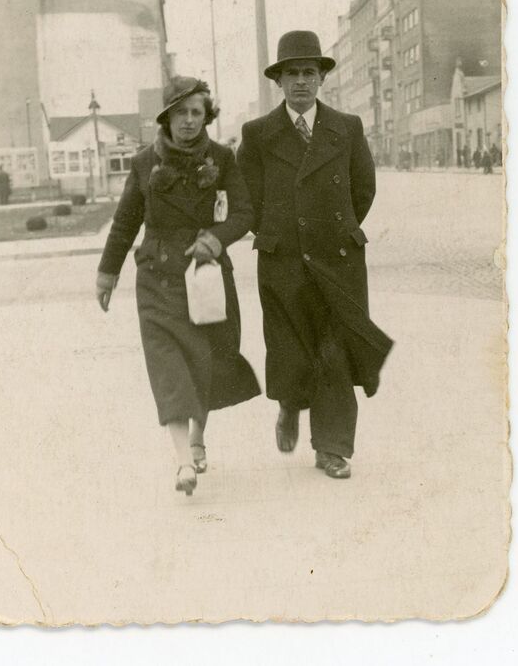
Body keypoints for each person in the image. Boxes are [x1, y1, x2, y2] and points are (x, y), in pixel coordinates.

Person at [237, 31, 393, 480]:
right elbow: (248, 196)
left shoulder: (347, 127)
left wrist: (336, 228)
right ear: (279, 81)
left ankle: (332, 448)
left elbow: (363, 188)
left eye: (309, 72)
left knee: (335, 352)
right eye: (292, 74)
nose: (301, 81)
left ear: (322, 78)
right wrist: (276, 232)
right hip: (283, 260)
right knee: (292, 350)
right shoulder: (258, 133)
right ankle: (290, 404)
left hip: (338, 260)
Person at [96, 76, 260, 496]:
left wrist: (215, 239)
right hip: (158, 276)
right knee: (168, 366)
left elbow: (244, 213)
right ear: (166, 117)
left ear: (207, 116)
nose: (188, 120)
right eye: (180, 113)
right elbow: (125, 222)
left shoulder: (222, 158)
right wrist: (107, 272)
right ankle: (183, 461)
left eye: (196, 113)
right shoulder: (144, 163)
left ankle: (197, 437)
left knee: (206, 359)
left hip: (205, 276)